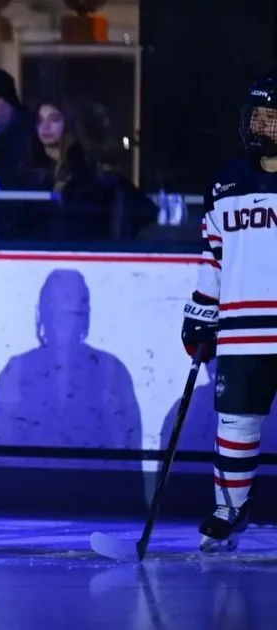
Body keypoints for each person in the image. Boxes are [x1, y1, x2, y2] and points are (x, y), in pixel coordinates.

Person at [181, 67, 277, 553]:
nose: (263, 125)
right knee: (236, 422)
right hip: (242, 328)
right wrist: (201, 310)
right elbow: (213, 255)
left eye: (273, 117)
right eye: (259, 116)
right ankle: (229, 507)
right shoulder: (226, 183)